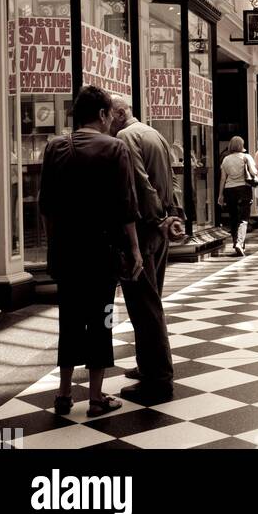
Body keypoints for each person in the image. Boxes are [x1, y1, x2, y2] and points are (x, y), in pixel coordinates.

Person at [39, 84, 141, 418]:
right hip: (101, 251)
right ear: (101, 114)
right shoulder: (114, 148)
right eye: (111, 114)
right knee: (102, 320)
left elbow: (47, 207)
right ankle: (96, 397)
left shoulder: (54, 147)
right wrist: (135, 250)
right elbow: (125, 206)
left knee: (68, 320)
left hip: (66, 252)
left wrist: (54, 247)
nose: (113, 120)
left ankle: (64, 393)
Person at [109, 96, 183, 405]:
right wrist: (173, 216)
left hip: (144, 229)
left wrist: (157, 218)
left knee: (144, 305)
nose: (105, 121)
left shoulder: (126, 137)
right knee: (151, 300)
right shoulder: (154, 134)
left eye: (108, 115)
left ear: (120, 113)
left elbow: (140, 184)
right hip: (161, 228)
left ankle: (158, 379)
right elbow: (172, 178)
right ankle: (148, 366)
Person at [217, 136, 258, 256]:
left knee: (233, 218)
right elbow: (254, 172)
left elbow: (223, 178)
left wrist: (220, 195)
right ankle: (240, 243)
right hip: (244, 189)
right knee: (244, 218)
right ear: (241, 145)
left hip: (229, 190)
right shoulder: (246, 157)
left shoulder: (225, 159)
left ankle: (236, 242)